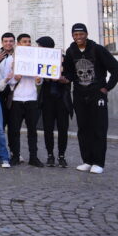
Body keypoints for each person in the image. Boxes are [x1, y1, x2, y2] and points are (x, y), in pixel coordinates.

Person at [63, 23, 118, 175]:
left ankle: (98, 162)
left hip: (97, 94)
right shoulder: (71, 51)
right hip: (79, 95)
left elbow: (116, 68)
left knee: (99, 128)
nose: (78, 37)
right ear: (72, 36)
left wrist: (107, 87)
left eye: (81, 34)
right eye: (75, 35)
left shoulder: (98, 49)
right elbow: (70, 73)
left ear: (86, 34)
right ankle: (87, 161)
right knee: (83, 128)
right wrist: (64, 79)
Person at [6, 33, 44, 167]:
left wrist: (39, 80)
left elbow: (40, 80)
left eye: (29, 41)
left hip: (31, 98)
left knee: (32, 130)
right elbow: (7, 80)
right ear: (18, 44)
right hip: (16, 99)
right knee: (14, 130)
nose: (27, 44)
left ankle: (33, 157)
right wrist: (14, 79)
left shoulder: (35, 59)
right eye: (24, 41)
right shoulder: (11, 60)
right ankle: (15, 156)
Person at [36, 36, 72, 168]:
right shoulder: (40, 59)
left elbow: (70, 76)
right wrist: (39, 79)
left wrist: (63, 79)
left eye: (40, 46)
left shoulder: (63, 58)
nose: (39, 49)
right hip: (47, 98)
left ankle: (61, 156)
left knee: (63, 128)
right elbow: (38, 78)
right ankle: (50, 155)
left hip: (62, 98)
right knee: (48, 128)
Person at [0, 32, 15, 160]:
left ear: (14, 42)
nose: (8, 43)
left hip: (13, 93)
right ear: (2, 42)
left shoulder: (18, 55)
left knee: (13, 123)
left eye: (11, 41)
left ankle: (13, 149)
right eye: (5, 41)